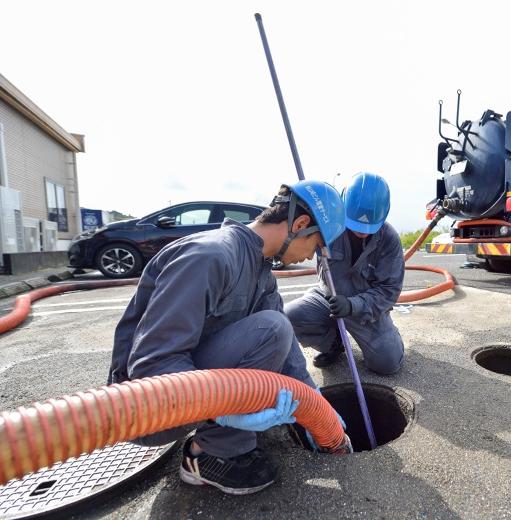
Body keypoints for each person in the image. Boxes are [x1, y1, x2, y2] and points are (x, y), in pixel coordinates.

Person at [107, 180, 345, 495]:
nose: (310, 257)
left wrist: (318, 409)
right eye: (315, 246)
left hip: (188, 392)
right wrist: (227, 414)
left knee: (276, 330)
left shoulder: (260, 273)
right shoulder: (211, 256)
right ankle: (208, 456)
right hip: (145, 408)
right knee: (273, 328)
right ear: (300, 225)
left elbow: (289, 357)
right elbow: (152, 367)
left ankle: (219, 435)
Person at [286, 172, 405, 375]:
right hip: (328, 300)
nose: (363, 231)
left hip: (365, 311)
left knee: (387, 364)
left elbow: (389, 291)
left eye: (369, 227)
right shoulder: (327, 227)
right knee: (289, 316)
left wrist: (353, 305)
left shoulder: (389, 240)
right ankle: (333, 343)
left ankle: (389, 335)